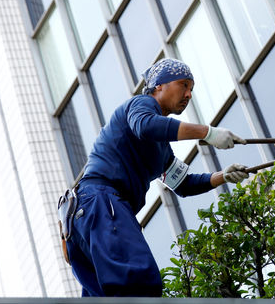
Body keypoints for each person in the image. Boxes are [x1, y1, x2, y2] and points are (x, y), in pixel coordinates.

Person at [66, 58, 249, 297]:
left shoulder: (161, 150)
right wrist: (208, 132)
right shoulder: (140, 105)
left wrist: (223, 176)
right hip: (100, 203)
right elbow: (147, 126)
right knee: (139, 282)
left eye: (191, 89)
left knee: (107, 294)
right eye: (183, 85)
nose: (188, 94)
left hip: (87, 216)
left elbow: (184, 184)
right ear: (159, 86)